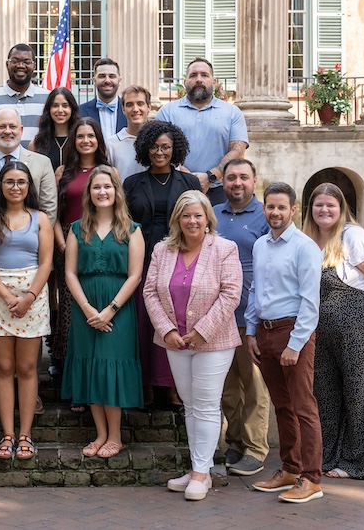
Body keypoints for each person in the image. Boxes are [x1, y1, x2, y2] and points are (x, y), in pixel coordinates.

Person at [144, 190, 242, 501]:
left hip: (213, 341)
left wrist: (202, 331)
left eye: (198, 215)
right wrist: (167, 329)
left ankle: (202, 472)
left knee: (207, 404)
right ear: (177, 219)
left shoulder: (224, 249)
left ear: (207, 219)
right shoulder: (162, 250)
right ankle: (197, 467)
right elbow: (150, 292)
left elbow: (230, 294)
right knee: (189, 404)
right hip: (175, 340)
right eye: (186, 215)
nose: (192, 220)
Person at [303, 182, 364, 481]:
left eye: (331, 205)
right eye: (319, 205)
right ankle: (328, 456)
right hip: (321, 330)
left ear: (342, 208)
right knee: (325, 394)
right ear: (310, 209)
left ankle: (363, 462)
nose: (324, 210)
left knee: (360, 392)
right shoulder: (308, 240)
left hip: (357, 326)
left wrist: (358, 314)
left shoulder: (354, 236)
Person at [246, 182, 325, 503]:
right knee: (282, 405)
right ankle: (290, 469)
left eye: (281, 207)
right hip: (264, 333)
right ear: (263, 208)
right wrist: (251, 332)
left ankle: (312, 478)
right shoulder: (261, 244)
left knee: (304, 406)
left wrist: (295, 344)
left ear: (293, 210)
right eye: (270, 206)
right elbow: (255, 290)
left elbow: (310, 302)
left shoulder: (305, 247)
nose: (275, 212)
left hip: (294, 332)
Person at [62, 166, 145, 459]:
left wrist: (109, 310)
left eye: (107, 187)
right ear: (89, 193)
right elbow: (70, 273)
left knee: (111, 367)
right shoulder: (76, 228)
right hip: (86, 309)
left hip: (117, 310)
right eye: (96, 187)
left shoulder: (132, 230)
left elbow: (134, 276)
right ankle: (99, 434)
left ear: (116, 192)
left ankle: (115, 436)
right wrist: (87, 309)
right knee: (90, 368)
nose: (102, 192)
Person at [0, 162, 54, 460]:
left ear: (28, 186)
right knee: (4, 368)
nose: (15, 187)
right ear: (1, 186)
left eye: (21, 182)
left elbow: (46, 262)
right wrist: (8, 296)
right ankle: (7, 435)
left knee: (27, 368)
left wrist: (29, 296)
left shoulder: (41, 219)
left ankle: (26, 436)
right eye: (9, 181)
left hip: (33, 295)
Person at [123, 120, 200, 409]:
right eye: (154, 147)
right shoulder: (132, 183)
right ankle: (146, 385)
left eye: (165, 147)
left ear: (175, 149)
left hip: (180, 257)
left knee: (176, 319)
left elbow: (197, 220)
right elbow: (125, 226)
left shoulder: (189, 183)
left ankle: (172, 388)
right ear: (145, 148)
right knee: (146, 322)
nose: (160, 152)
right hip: (142, 259)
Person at [214, 158, 271, 477]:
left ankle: (255, 449)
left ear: (254, 181)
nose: (237, 183)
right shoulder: (215, 215)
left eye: (243, 177)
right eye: (231, 177)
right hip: (219, 316)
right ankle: (234, 444)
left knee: (254, 386)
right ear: (223, 181)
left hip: (252, 316)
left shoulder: (265, 215)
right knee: (228, 388)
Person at [52, 117, 109, 403]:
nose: (86, 141)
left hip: (100, 243)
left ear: (98, 139)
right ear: (73, 140)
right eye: (80, 136)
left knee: (98, 304)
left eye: (91, 136)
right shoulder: (63, 171)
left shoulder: (109, 172)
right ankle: (69, 374)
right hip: (68, 242)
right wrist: (61, 244)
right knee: (70, 309)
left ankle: (96, 377)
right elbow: (53, 212)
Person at [155, 57, 249, 205]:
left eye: (204, 75)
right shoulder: (167, 112)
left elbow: (238, 151)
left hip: (220, 190)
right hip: (176, 188)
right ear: (185, 82)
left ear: (214, 82)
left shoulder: (232, 113)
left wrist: (210, 177)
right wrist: (191, 180)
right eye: (193, 75)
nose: (199, 79)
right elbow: (160, 150)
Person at [0, 107, 57, 224]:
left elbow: (49, 209)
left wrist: (31, 236)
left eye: (12, 127)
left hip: (32, 240)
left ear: (21, 130)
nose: (7, 131)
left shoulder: (42, 163)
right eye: (2, 127)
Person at [0, 43, 50, 147]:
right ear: (7, 64)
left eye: (26, 62)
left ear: (34, 66)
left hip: (38, 161)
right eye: (15, 61)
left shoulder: (47, 98)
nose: (20, 66)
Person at [104, 85, 151, 182]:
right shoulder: (112, 144)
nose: (135, 109)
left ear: (148, 107)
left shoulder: (159, 141)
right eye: (129, 105)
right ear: (123, 110)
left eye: (140, 103)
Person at [29, 86, 79, 171]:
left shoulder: (80, 140)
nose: (60, 110)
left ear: (72, 109)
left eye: (65, 105)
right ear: (48, 109)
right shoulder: (36, 144)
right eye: (55, 105)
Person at [79, 58, 127, 139]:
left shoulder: (130, 111)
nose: (107, 80)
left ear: (119, 81)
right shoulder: (80, 112)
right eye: (102, 76)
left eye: (112, 76)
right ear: (94, 81)